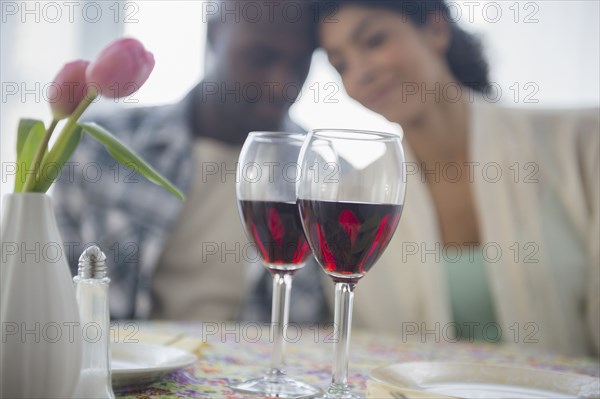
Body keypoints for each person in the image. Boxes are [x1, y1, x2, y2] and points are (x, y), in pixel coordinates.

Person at [315, 0, 599, 356]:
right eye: (340, 64)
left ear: (436, 30)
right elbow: (361, 350)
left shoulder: (581, 144)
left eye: (373, 41)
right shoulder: (353, 199)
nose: (360, 73)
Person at [54, 0, 328, 325]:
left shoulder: (322, 175)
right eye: (260, 57)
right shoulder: (99, 151)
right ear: (214, 34)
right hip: (127, 370)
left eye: (299, 63)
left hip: (257, 372)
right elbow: (50, 296)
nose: (280, 83)